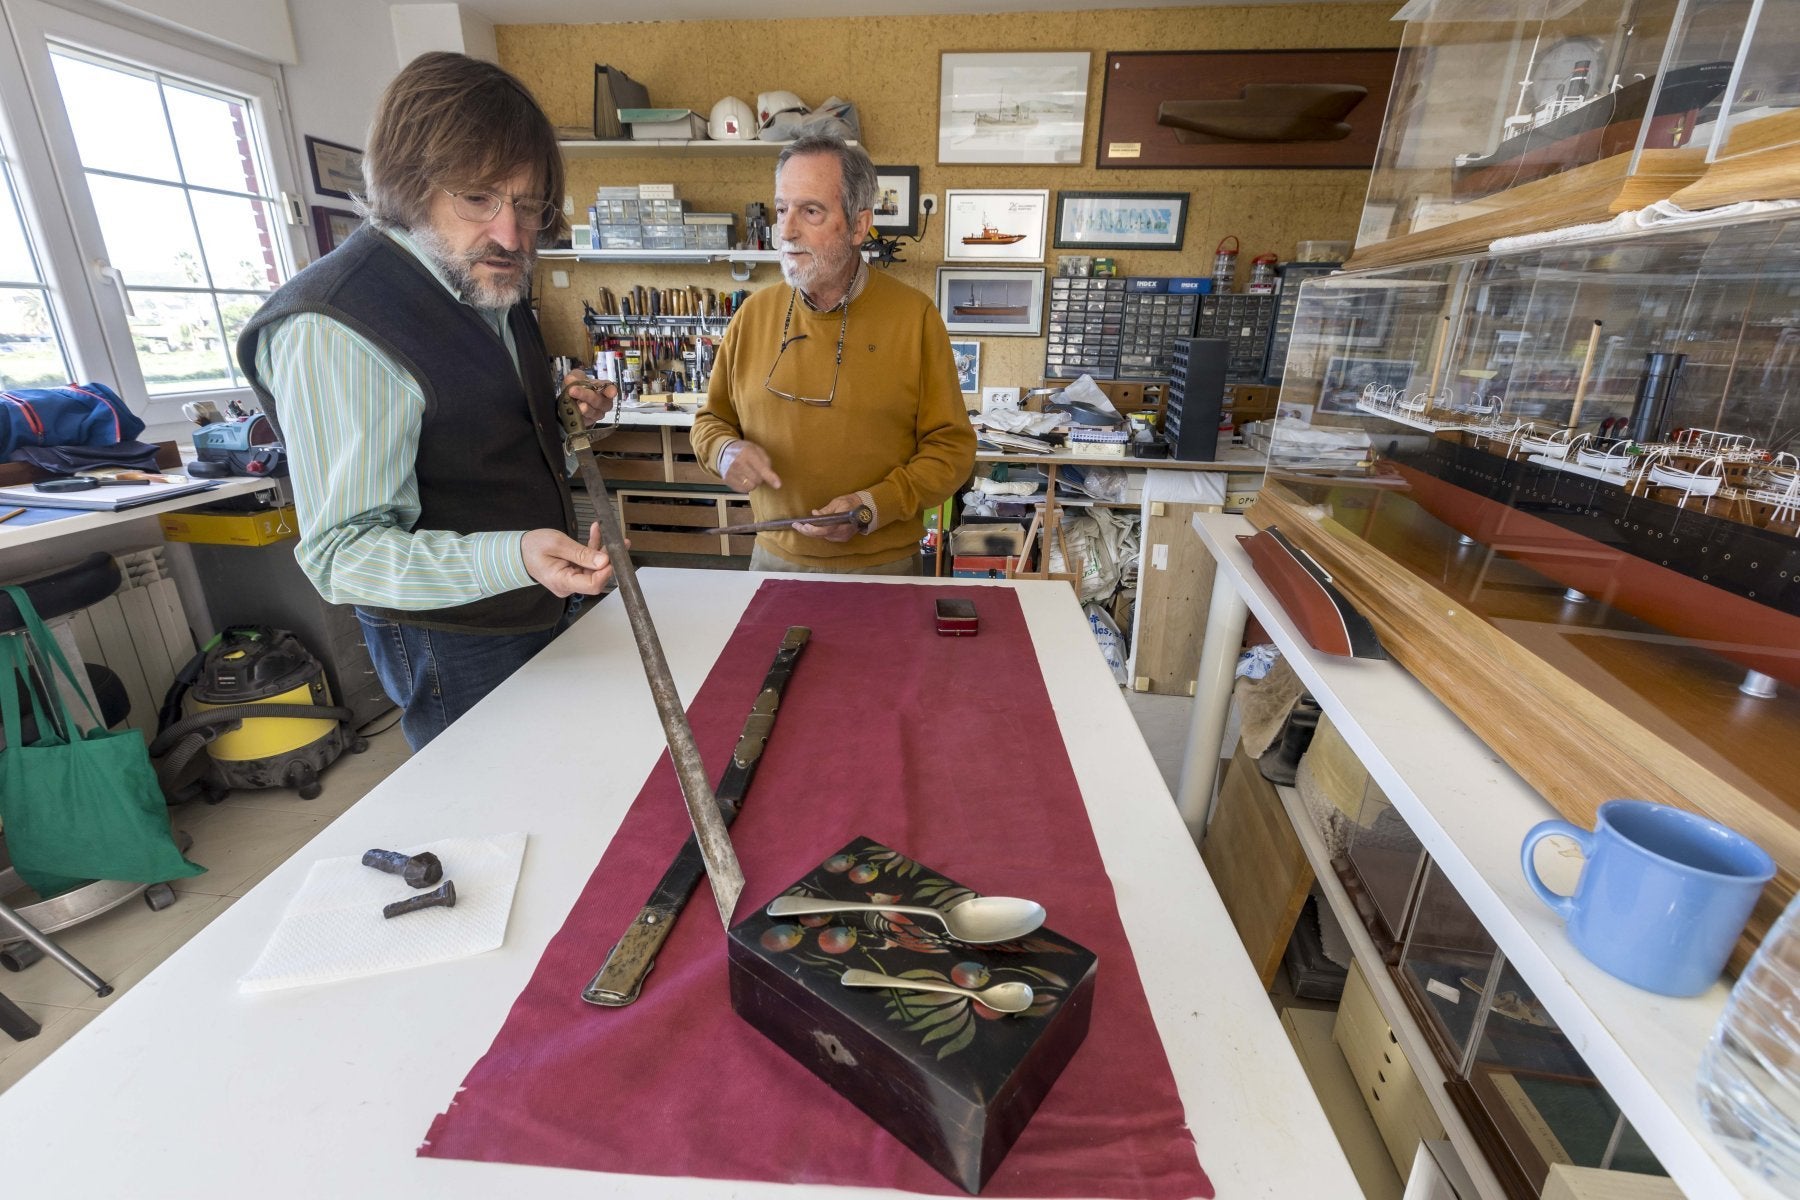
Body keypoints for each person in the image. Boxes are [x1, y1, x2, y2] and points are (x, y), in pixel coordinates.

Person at [237, 52, 617, 750]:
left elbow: (462, 433)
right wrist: (517, 557)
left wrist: (552, 415)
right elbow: (342, 554)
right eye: (478, 197)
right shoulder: (337, 325)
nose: (511, 233)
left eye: (528, 205)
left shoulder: (480, 278)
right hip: (455, 644)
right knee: (492, 830)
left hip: (540, 608)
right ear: (410, 185)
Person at [690, 134, 975, 574]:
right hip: (774, 561)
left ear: (859, 226)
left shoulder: (914, 318)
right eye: (782, 209)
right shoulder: (752, 315)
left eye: (811, 211)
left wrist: (871, 507)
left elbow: (951, 449)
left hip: (882, 569)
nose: (786, 230)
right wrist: (725, 451)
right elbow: (711, 421)